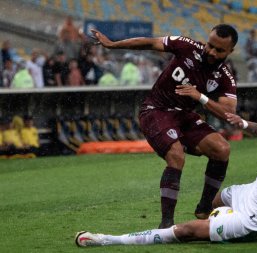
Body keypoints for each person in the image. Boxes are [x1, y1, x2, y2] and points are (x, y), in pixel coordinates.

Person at [75, 90, 257, 246]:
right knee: (217, 199)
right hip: (249, 193)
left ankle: (106, 240)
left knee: (185, 232)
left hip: (254, 219)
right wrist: (243, 124)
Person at [90, 24, 239, 228]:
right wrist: (113, 45)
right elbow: (150, 42)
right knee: (176, 155)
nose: (211, 52)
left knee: (222, 149)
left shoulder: (225, 76)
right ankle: (166, 225)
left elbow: (230, 113)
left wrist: (201, 97)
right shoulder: (187, 46)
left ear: (230, 51)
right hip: (155, 110)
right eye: (210, 45)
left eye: (219, 50)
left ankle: (204, 208)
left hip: (184, 116)